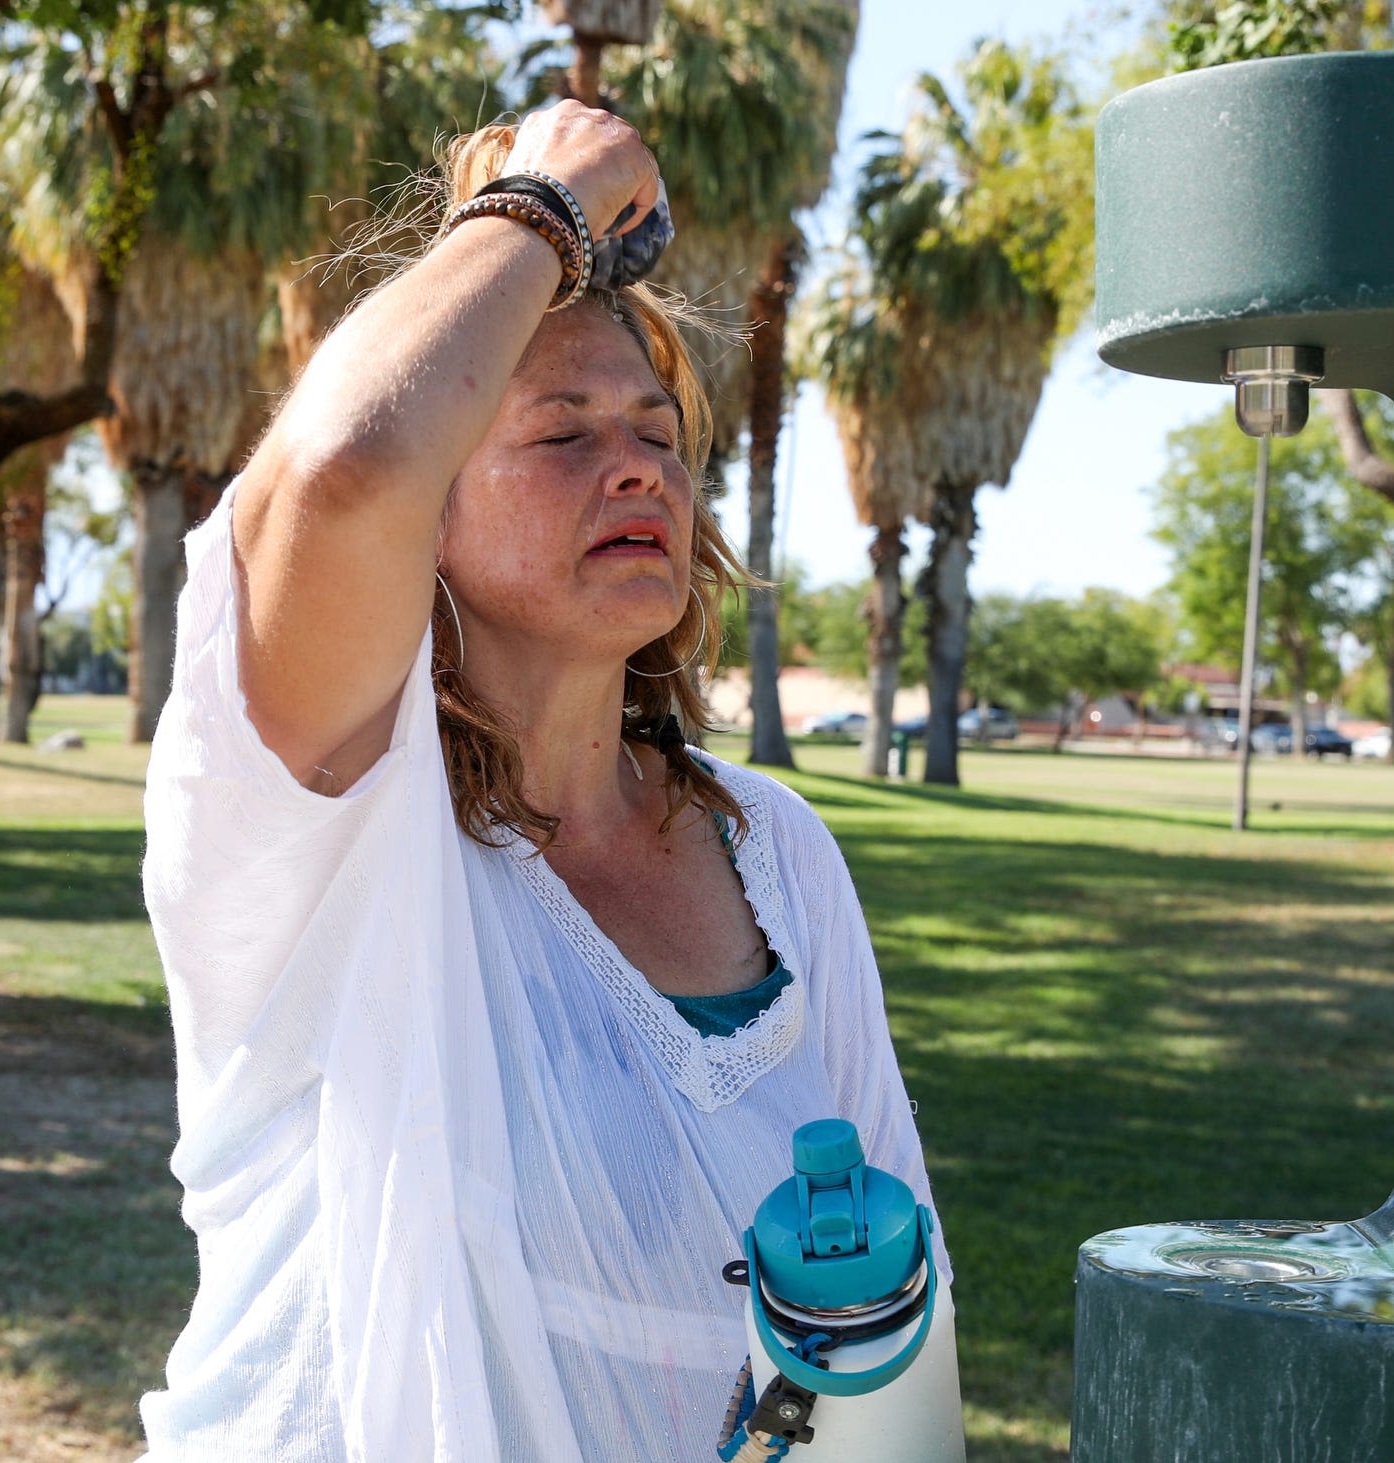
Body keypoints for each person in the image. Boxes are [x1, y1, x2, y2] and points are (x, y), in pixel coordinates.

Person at [135, 101, 953, 1460]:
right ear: (432, 505)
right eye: (561, 432)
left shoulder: (781, 850)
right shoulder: (313, 815)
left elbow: (887, 1318)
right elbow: (342, 470)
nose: (637, 462)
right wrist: (538, 206)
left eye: (657, 431)